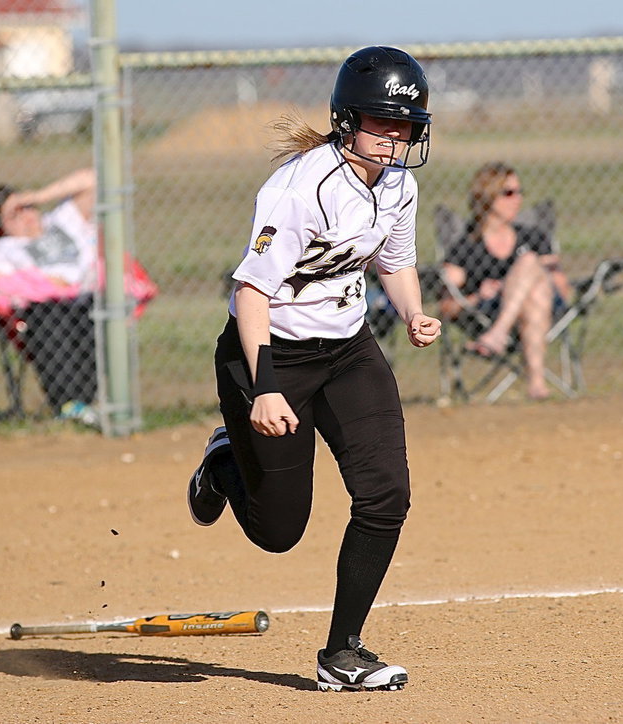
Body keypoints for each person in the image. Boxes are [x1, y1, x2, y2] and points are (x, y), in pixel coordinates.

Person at [186, 46, 441, 692]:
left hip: (348, 351)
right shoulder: (300, 189)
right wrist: (265, 388)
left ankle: (342, 655)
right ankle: (224, 461)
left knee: (386, 495)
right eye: (383, 124)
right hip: (270, 354)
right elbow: (251, 293)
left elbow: (396, 261)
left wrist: (412, 313)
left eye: (406, 127)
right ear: (347, 120)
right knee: (279, 531)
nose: (396, 139)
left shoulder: (399, 186)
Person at [0, 168, 99, 423]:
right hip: (43, 312)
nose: (27, 216)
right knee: (48, 314)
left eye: (26, 207)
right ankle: (70, 405)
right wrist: (55, 286)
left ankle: (88, 403)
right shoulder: (3, 249)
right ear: (1, 227)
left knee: (92, 310)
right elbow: (0, 287)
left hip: (87, 300)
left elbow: (93, 179)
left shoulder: (62, 221)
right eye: (14, 215)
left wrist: (37, 196)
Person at [439, 161, 571, 400]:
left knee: (531, 266)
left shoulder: (533, 237)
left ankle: (498, 335)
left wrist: (521, 283)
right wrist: (479, 295)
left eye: (520, 192)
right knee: (534, 284)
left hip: (546, 308)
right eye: (508, 193)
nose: (517, 199)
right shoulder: (467, 247)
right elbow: (446, 307)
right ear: (487, 197)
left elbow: (562, 289)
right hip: (487, 312)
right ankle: (537, 384)